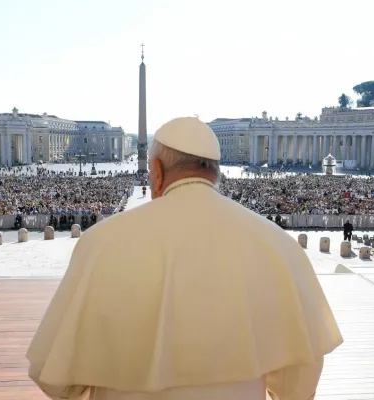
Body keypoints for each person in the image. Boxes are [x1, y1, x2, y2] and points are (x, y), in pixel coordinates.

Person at [27, 117, 343, 400]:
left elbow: (53, 375)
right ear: (216, 173)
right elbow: (298, 379)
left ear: (157, 172)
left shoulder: (101, 242)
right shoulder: (277, 243)